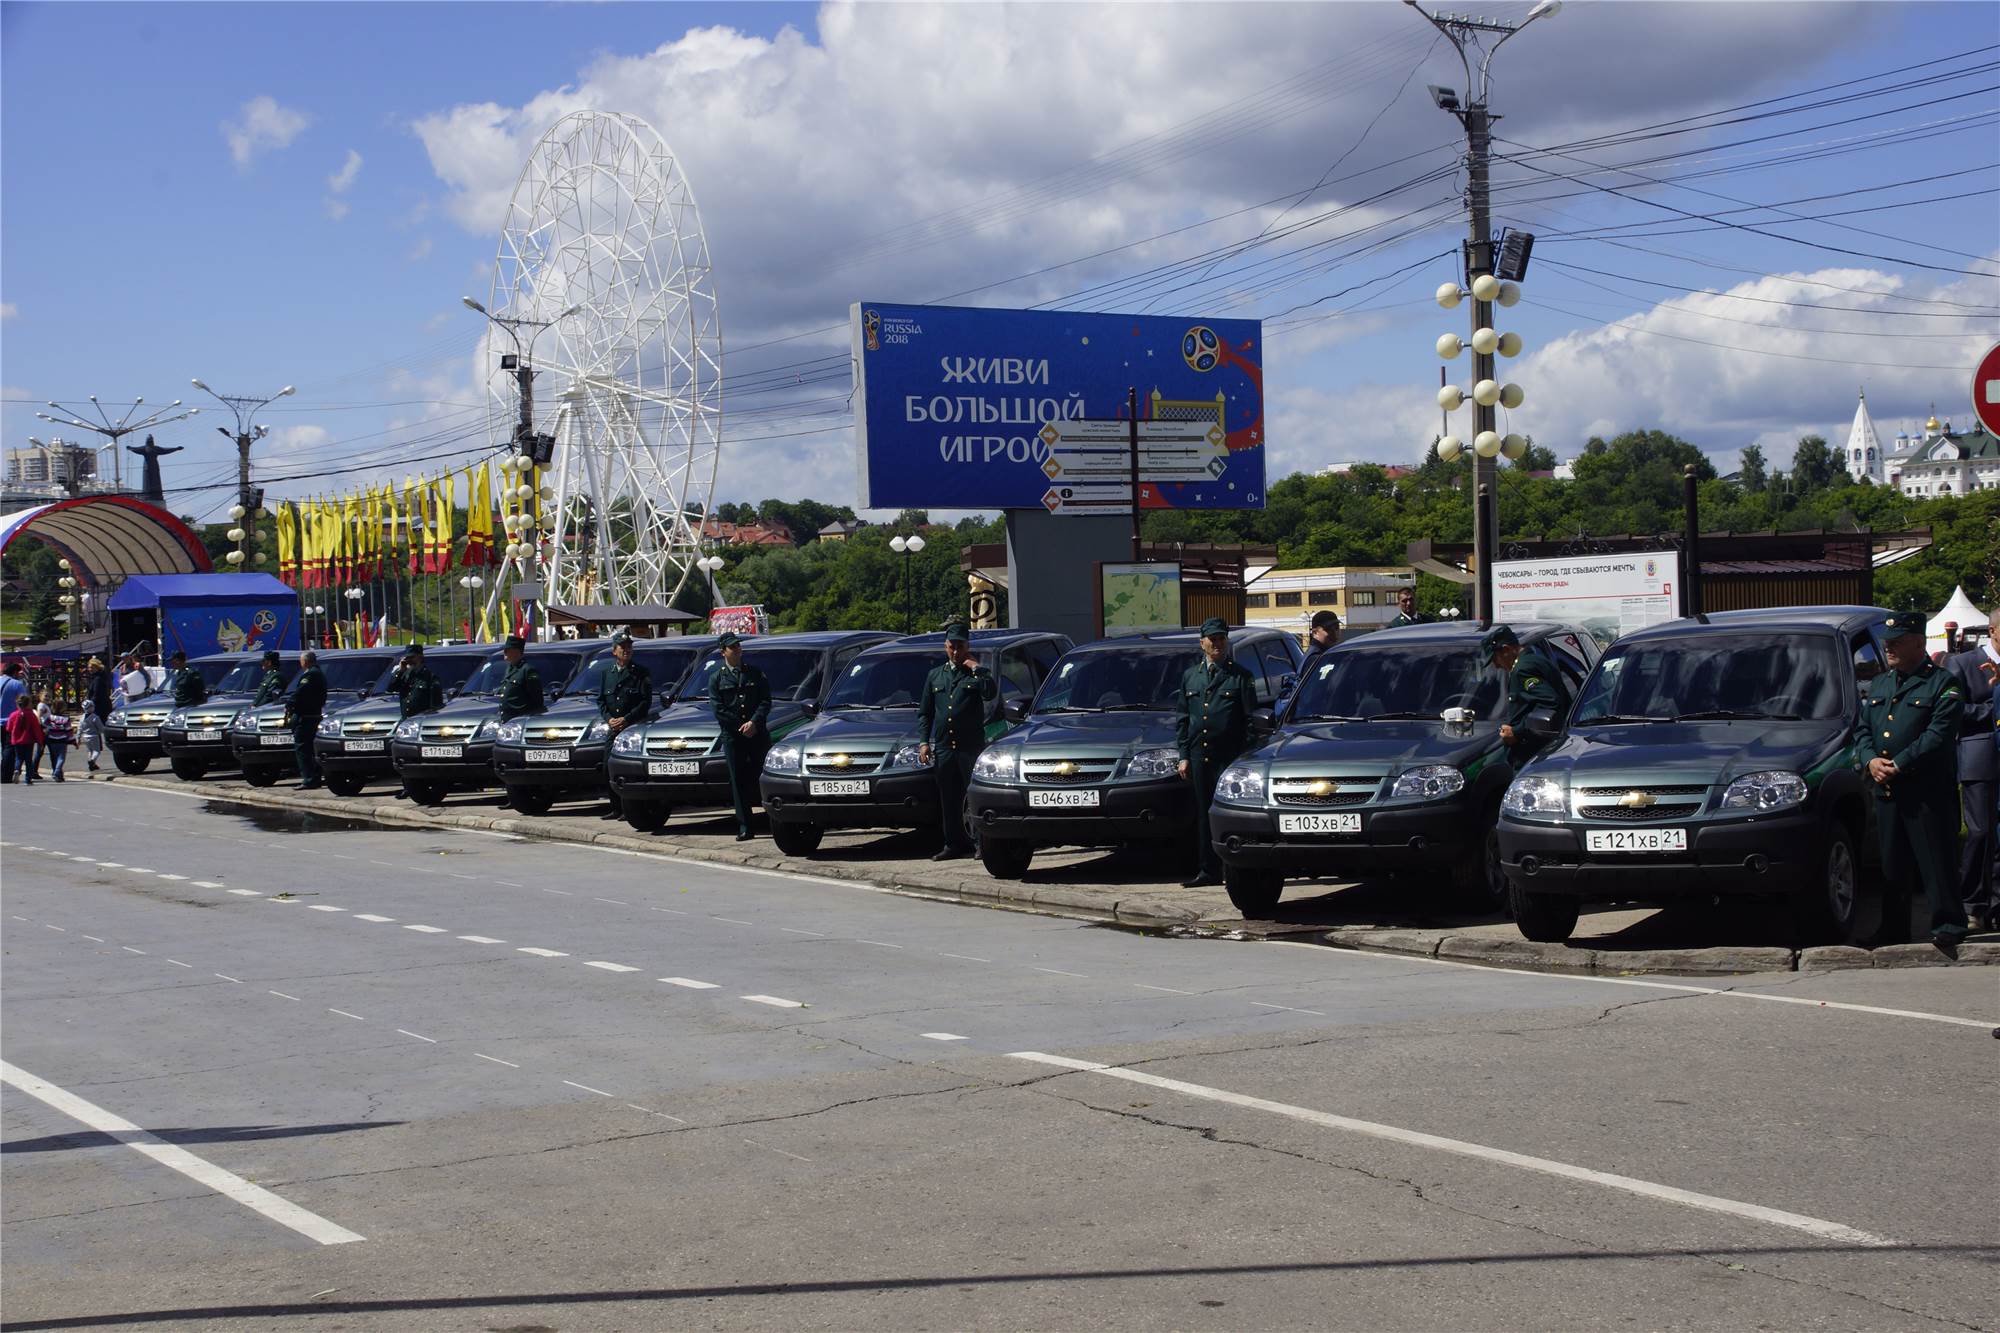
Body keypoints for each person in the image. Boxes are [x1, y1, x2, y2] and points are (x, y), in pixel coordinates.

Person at [1858, 611, 1967, 953]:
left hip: (1925, 791)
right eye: (1887, 642)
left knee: (1935, 860)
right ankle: (1892, 929)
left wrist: (1899, 764)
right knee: (1892, 865)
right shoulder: (1881, 683)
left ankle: (1949, 925)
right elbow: (1863, 730)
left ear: (1918, 643)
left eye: (1897, 641)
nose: (1888, 647)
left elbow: (1938, 736)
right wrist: (1870, 760)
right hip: (1889, 790)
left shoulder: (1943, 683)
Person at [1176, 617, 1256, 889]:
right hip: (1200, 755)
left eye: (1222, 639)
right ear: (1202, 643)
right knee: (1203, 813)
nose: (1217, 644)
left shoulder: (1240, 676)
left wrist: (1243, 757)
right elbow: (1183, 719)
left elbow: (1250, 721)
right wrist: (1184, 754)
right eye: (1212, 639)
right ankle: (1207, 870)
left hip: (1228, 757)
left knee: (1230, 814)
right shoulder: (1191, 676)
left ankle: (1233, 869)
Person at [918, 621, 996, 861]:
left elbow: (990, 692)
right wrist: (923, 742)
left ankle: (981, 844)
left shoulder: (973, 672)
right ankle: (952, 844)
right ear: (945, 646)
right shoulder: (935, 675)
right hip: (944, 748)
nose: (955, 651)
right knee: (949, 800)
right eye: (951, 646)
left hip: (969, 747)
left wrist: (977, 667)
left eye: (960, 646)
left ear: (967, 646)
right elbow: (926, 712)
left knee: (973, 799)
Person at [1945, 609, 1998, 931]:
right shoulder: (1964, 664)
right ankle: (1972, 903)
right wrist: (1995, 709)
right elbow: (1954, 708)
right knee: (1981, 831)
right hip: (1981, 755)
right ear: (1993, 631)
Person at [708, 631, 771, 841]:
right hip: (733, 736)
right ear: (722, 652)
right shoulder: (717, 678)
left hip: (756, 733)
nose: (737, 650)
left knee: (763, 777)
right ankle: (745, 825)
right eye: (732, 647)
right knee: (738, 781)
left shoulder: (755, 673)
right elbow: (719, 709)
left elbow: (765, 701)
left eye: (738, 646)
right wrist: (741, 726)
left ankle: (773, 820)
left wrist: (754, 722)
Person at [1485, 625, 1572, 763]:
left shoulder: (1523, 670)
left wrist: (1517, 731)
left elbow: (1549, 703)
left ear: (1506, 650)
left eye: (1496, 658)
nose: (1496, 665)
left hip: (1532, 752)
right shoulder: (1533, 659)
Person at [595, 633, 654, 820]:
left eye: (629, 647)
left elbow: (645, 702)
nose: (627, 650)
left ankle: (628, 809)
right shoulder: (607, 673)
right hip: (614, 728)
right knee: (607, 767)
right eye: (622, 647)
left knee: (629, 770)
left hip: (632, 727)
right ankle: (615, 808)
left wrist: (626, 719)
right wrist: (609, 719)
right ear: (615, 651)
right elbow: (602, 701)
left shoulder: (640, 673)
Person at [288, 650, 328, 791]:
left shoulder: (311, 674)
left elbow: (301, 692)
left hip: (306, 716)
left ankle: (309, 779)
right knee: (310, 749)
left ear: (305, 661)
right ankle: (314, 777)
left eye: (302, 661)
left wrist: (290, 703)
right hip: (312, 715)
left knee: (303, 749)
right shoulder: (317, 673)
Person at [388, 643, 445, 719]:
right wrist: (400, 670)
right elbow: (391, 689)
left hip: (421, 720)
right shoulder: (404, 675)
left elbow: (436, 704)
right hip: (405, 720)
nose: (409, 660)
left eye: (412, 657)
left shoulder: (430, 677)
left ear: (420, 657)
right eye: (407, 658)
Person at [7, 691, 45, 785]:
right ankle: (28, 779)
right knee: (28, 760)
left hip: (16, 740)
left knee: (19, 758)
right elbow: (36, 729)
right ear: (28, 704)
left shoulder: (13, 715)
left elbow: (8, 728)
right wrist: (40, 741)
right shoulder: (31, 715)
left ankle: (16, 770)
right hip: (28, 740)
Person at [84, 656, 112, 772]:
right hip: (100, 707)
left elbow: (96, 695)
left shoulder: (98, 679)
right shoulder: (98, 677)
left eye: (91, 667)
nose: (89, 669)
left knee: (95, 730)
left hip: (98, 708)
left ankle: (94, 755)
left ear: (96, 667)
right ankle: (93, 758)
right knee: (95, 731)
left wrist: (89, 705)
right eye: (89, 667)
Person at [0, 659, 25, 783]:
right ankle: (5, 775)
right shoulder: (17, 684)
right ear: (15, 672)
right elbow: (24, 702)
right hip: (11, 721)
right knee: (8, 748)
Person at [1300, 610, 1341, 679]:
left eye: (1336, 628)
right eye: (1328, 629)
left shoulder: (1327, 653)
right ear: (1315, 633)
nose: (1334, 633)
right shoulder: (1315, 658)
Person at [42, 700, 73, 783]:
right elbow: (69, 731)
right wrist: (73, 741)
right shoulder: (65, 719)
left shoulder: (50, 718)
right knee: (61, 758)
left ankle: (57, 773)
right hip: (62, 741)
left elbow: (45, 726)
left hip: (51, 740)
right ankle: (57, 772)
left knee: (54, 757)